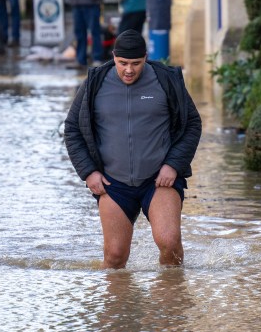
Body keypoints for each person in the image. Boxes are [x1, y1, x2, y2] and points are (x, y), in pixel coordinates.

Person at [63, 29, 202, 269]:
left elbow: (192, 123)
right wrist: (88, 172)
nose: (129, 70)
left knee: (170, 244)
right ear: (114, 57)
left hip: (159, 180)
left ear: (145, 57)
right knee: (115, 257)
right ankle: (121, 305)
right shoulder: (95, 82)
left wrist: (173, 165)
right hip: (113, 184)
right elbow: (72, 128)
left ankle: (171, 301)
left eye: (136, 63)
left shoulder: (166, 79)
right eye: (123, 63)